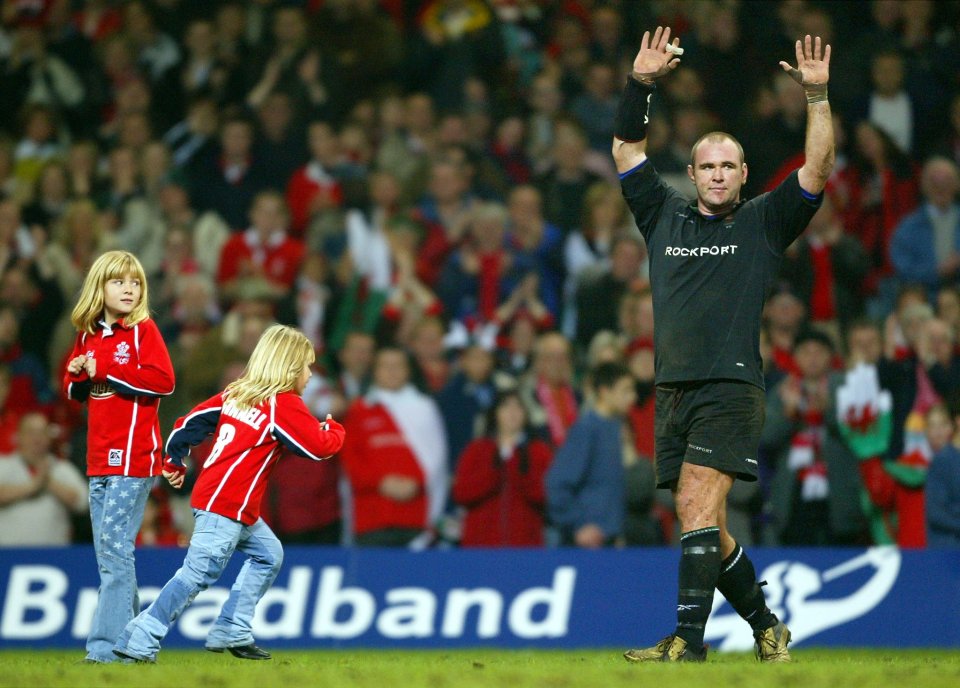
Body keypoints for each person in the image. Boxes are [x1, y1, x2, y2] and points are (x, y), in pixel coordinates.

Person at [613, 28, 834, 663]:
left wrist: (816, 98)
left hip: (731, 386)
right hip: (673, 386)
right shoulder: (662, 215)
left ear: (742, 174)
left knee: (695, 503)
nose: (716, 175)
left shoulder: (765, 221)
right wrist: (641, 84)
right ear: (692, 173)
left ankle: (688, 642)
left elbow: (817, 168)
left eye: (727, 166)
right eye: (706, 166)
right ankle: (768, 626)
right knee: (704, 522)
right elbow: (627, 146)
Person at [112, 325, 345, 663]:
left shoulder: (238, 393)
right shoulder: (283, 403)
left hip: (229, 503)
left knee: (269, 554)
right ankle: (142, 634)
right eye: (306, 366)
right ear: (290, 366)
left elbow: (188, 422)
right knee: (197, 573)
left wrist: (174, 458)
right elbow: (318, 448)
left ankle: (232, 627)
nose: (310, 374)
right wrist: (333, 428)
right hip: (226, 505)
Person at [62, 250, 175, 664]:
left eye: (135, 282)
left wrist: (105, 371)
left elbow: (164, 380)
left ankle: (105, 648)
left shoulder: (143, 330)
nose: (129, 289)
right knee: (112, 552)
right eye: (119, 282)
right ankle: (135, 643)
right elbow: (76, 390)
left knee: (113, 549)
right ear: (99, 287)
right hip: (98, 459)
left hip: (133, 458)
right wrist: (77, 373)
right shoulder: (88, 334)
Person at [545, 362, 636, 547]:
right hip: (589, 545)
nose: (632, 397)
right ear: (604, 391)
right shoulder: (586, 430)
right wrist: (579, 525)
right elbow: (557, 483)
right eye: (625, 390)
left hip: (614, 540)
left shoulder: (620, 428)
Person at [452, 390, 553, 547]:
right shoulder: (477, 450)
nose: (512, 412)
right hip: (481, 546)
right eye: (506, 407)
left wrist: (516, 465)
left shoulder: (538, 451)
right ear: (495, 413)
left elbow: (545, 494)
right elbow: (461, 493)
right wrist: (494, 472)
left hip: (525, 545)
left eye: (518, 407)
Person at [0, 412, 88, 545]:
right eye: (30, 432)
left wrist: (48, 481)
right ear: (18, 436)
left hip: (53, 557)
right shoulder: (4, 464)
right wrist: (33, 485)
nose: (37, 438)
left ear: (49, 437)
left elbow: (82, 503)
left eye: (42, 432)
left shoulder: (62, 468)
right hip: (7, 557)